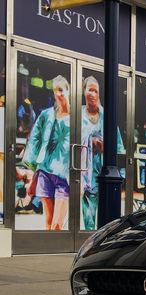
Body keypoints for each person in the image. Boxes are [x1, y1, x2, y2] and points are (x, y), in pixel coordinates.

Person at [21, 75, 71, 230]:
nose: (59, 94)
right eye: (56, 90)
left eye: (61, 90)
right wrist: (32, 169)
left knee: (57, 224)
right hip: (45, 171)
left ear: (68, 90)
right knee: (48, 224)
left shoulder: (76, 118)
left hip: (65, 173)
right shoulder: (46, 115)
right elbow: (34, 139)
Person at [80, 76, 125, 230]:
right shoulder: (78, 115)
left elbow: (119, 146)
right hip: (86, 173)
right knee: (89, 216)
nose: (92, 93)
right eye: (89, 89)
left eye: (95, 90)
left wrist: (104, 145)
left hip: (106, 172)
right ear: (83, 91)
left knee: (108, 216)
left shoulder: (107, 116)